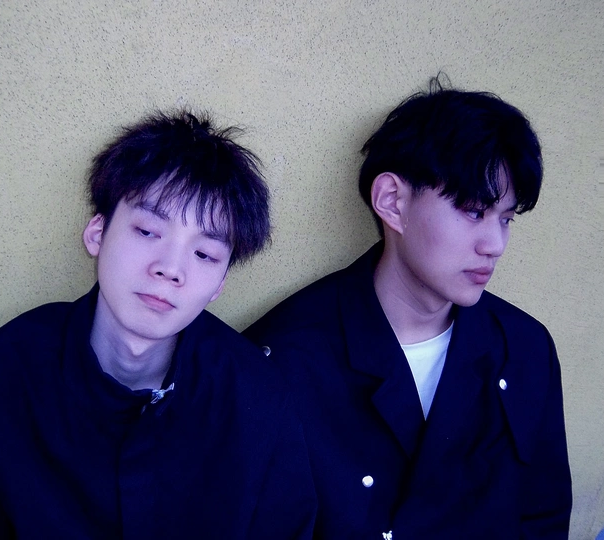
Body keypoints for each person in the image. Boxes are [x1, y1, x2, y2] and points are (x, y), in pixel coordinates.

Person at [0, 111, 317, 539]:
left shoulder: (259, 403)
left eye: (204, 254)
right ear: (97, 233)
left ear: (220, 284)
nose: (170, 269)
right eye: (147, 231)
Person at [244, 78, 572, 539]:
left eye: (506, 218)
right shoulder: (282, 359)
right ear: (393, 202)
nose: (495, 244)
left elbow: (544, 516)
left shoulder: (524, 348)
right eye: (474, 211)